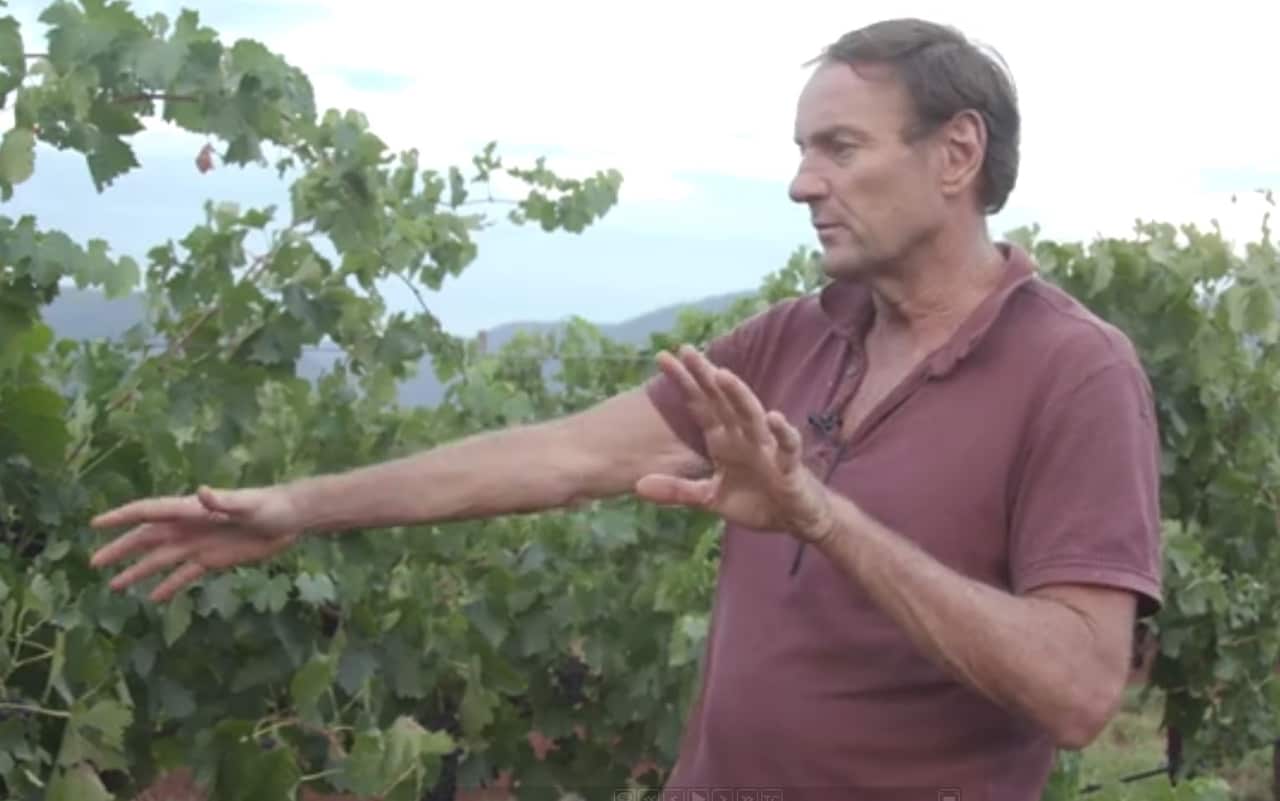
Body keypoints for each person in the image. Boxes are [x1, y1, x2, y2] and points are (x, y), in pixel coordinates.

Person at [89, 17, 1163, 801]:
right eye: (799, 150)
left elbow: (1075, 692)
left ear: (956, 155)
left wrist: (820, 519)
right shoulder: (797, 335)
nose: (800, 184)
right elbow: (557, 455)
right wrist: (297, 507)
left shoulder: (1073, 373)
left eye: (837, 148)